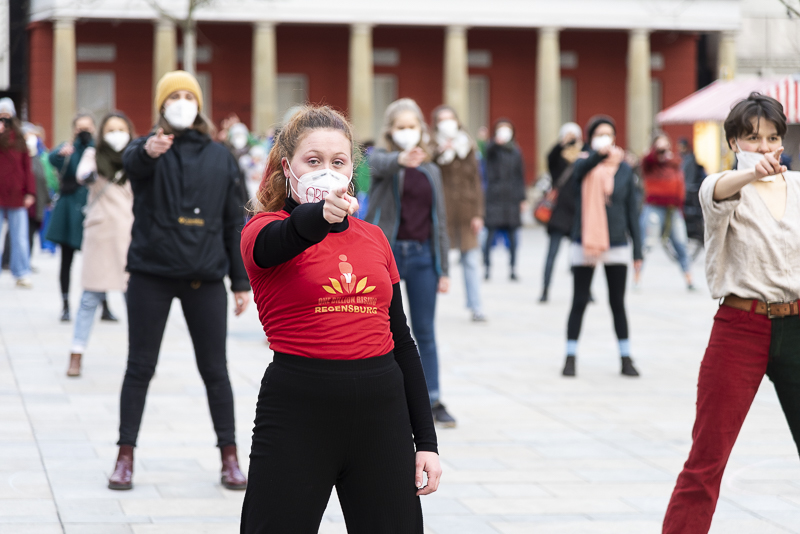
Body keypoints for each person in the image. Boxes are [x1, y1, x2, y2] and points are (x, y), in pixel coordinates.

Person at [238, 105, 441, 533]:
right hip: (299, 411)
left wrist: (426, 441)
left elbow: (402, 340)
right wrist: (320, 217)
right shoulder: (263, 229)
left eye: (337, 162)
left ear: (352, 171)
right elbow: (283, 240)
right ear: (287, 167)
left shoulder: (374, 238)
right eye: (313, 161)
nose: (326, 171)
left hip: (382, 414)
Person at [663, 93, 800, 533]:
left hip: (796, 325)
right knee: (706, 460)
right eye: (753, 138)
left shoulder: (797, 187)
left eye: (773, 138)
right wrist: (746, 174)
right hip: (741, 326)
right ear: (735, 143)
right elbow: (721, 189)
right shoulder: (720, 186)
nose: (765, 148)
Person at [109, 71, 251, 491]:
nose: (183, 102)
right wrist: (150, 150)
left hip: (204, 276)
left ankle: (229, 457)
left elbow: (233, 221)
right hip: (152, 273)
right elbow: (131, 162)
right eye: (175, 97)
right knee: (139, 366)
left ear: (200, 105)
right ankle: (124, 456)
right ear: (161, 106)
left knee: (215, 370)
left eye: (190, 96)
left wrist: (240, 281)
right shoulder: (149, 147)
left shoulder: (219, 156)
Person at [365, 98, 456, 427]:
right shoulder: (382, 160)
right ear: (391, 130)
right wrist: (401, 159)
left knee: (425, 331)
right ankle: (389, 397)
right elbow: (377, 165)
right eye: (401, 127)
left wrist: (443, 268)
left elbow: (440, 221)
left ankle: (433, 398)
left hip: (421, 257)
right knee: (386, 330)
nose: (407, 132)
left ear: (422, 129)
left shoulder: (431, 170)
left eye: (412, 126)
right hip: (388, 255)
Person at [562, 115, 643, 378]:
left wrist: (638, 251)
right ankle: (570, 356)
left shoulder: (624, 169)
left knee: (617, 302)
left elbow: (632, 209)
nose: (605, 138)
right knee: (580, 299)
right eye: (599, 134)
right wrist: (598, 154)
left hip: (616, 240)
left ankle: (626, 357)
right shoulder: (583, 163)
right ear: (590, 138)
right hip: (585, 239)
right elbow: (580, 174)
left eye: (609, 134)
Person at [66, 112, 136, 377]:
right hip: (101, 233)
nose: (116, 134)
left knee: (135, 300)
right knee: (89, 298)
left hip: (130, 234)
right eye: (110, 129)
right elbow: (82, 174)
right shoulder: (93, 156)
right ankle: (76, 353)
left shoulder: (136, 158)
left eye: (121, 129)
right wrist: (91, 172)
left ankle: (137, 357)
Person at [47, 112, 118, 322]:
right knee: (66, 260)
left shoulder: (99, 149)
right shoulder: (69, 149)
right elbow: (53, 159)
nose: (84, 132)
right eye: (79, 128)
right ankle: (66, 305)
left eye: (87, 127)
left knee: (99, 260)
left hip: (92, 208)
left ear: (94, 129)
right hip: (68, 210)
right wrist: (62, 153)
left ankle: (104, 305)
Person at [432, 105, 486, 322]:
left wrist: (478, 214)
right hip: (441, 211)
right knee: (436, 260)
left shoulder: (468, 145)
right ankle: (428, 306)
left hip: (466, 211)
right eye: (442, 119)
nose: (447, 123)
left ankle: (476, 307)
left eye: (450, 118)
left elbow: (476, 181)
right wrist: (438, 154)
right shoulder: (430, 146)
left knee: (471, 260)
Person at [639, 133, 694, 290]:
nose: (663, 151)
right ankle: (637, 278)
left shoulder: (674, 163)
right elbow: (647, 161)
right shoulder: (650, 163)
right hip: (654, 206)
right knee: (646, 244)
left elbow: (680, 186)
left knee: (681, 244)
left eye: (665, 147)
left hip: (673, 208)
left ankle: (689, 279)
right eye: (659, 148)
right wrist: (656, 151)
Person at [540, 122, 584, 303]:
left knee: (580, 256)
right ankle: (545, 289)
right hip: (559, 213)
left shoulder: (583, 157)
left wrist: (580, 145)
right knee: (552, 254)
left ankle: (585, 291)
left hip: (577, 213)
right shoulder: (558, 159)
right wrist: (561, 143)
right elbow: (549, 158)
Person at [483, 119, 526, 281]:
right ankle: (487, 267)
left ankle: (513, 268)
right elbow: (487, 151)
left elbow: (520, 176)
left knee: (513, 237)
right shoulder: (493, 149)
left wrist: (522, 198)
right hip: (494, 198)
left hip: (511, 199)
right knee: (489, 234)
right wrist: (496, 142)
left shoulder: (516, 151)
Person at [0, 97, 36, 288]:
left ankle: (21, 271)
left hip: (17, 193)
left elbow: (27, 168)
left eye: (7, 113)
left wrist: (30, 192)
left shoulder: (21, 138)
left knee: (20, 236)